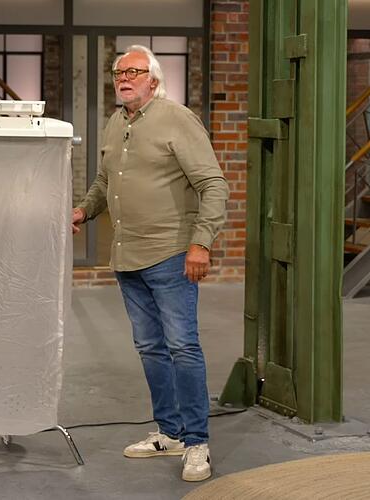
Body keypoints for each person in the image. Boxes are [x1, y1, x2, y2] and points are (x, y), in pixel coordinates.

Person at [72, 45, 229, 482]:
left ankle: (197, 443)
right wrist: (84, 210)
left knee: (182, 347)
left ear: (154, 80)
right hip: (128, 257)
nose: (123, 78)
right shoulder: (116, 121)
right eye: (118, 72)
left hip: (171, 254)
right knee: (151, 348)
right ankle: (170, 432)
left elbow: (213, 185)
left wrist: (201, 243)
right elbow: (105, 180)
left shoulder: (177, 119)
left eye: (134, 72)